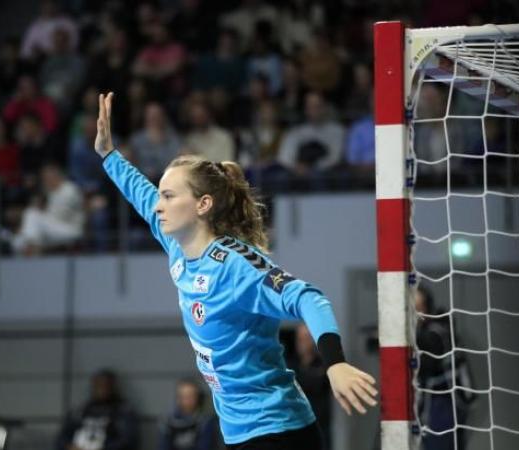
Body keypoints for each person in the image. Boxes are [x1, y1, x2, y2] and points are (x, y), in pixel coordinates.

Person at [94, 92, 377, 449]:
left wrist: (335, 363)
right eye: (161, 195)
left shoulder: (235, 265)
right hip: (239, 432)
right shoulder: (177, 247)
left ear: (203, 204)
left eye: (168, 196)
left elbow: (309, 298)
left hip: (279, 430)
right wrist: (108, 154)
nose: (158, 205)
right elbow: (139, 191)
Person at [415, 286, 475, 450]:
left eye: (418, 308)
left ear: (427, 307)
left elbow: (430, 360)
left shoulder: (438, 330)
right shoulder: (434, 329)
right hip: (441, 401)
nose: (414, 314)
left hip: (445, 400)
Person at [56, 369, 138, 450]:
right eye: (98, 385)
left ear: (112, 387)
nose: (102, 389)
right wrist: (69, 447)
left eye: (105, 385)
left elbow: (128, 441)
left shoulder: (122, 411)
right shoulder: (80, 411)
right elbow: (61, 438)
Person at [157, 378, 220, 450]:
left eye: (191, 396)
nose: (187, 400)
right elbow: (163, 446)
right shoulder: (168, 420)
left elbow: (205, 446)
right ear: (178, 398)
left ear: (198, 397)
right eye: (184, 396)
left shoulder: (205, 421)